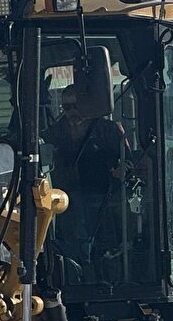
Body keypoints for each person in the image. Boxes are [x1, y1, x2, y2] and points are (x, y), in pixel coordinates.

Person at [45, 82, 128, 273]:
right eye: (67, 107)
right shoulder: (53, 133)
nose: (72, 112)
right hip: (65, 203)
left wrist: (121, 171)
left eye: (77, 106)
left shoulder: (109, 130)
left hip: (105, 199)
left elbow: (127, 161)